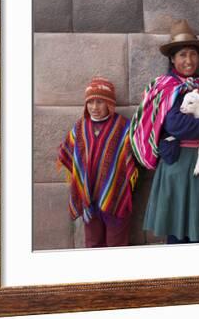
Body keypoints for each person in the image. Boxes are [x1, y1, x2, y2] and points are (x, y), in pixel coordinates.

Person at [130, 19, 199, 244]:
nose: (188, 60)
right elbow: (174, 124)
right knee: (178, 229)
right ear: (172, 58)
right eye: (182, 55)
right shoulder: (166, 88)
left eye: (192, 54)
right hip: (179, 166)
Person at [57, 76, 138, 247]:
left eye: (100, 102)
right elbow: (69, 155)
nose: (94, 107)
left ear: (110, 103)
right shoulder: (79, 128)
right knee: (93, 245)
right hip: (89, 200)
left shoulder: (124, 127)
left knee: (116, 246)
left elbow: (133, 160)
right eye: (90, 102)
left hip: (116, 197)